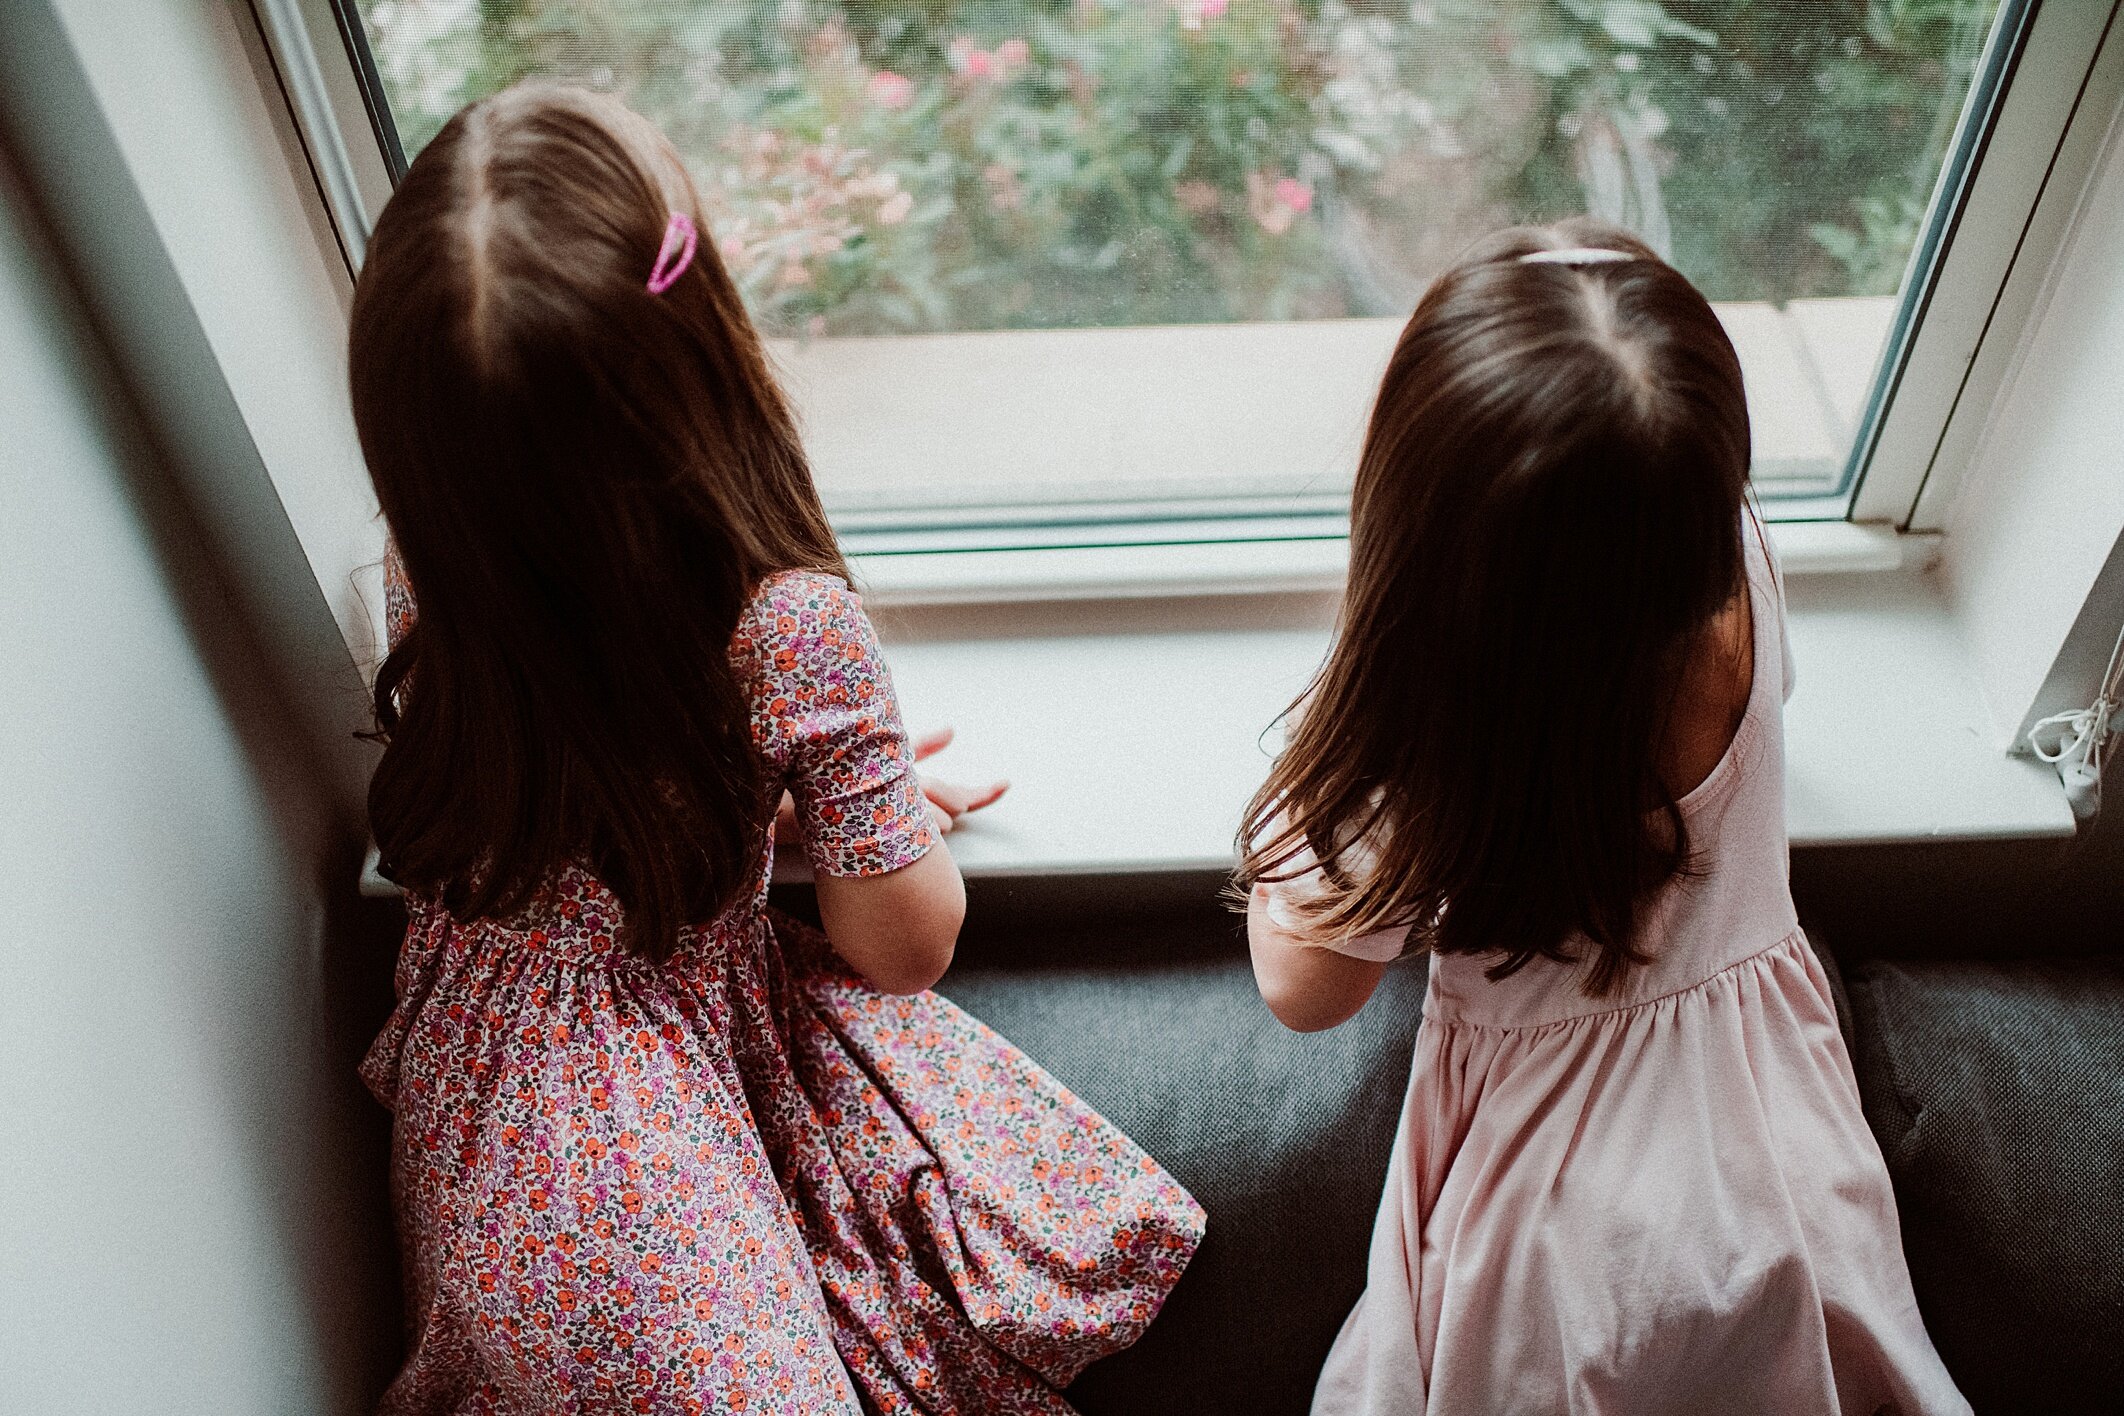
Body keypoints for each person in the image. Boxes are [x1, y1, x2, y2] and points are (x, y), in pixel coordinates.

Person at [353, 82, 1201, 1415]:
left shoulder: (431, 569)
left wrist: (759, 810)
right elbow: (901, 946)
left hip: (489, 1131)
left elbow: (577, 761)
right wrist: (872, 812)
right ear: (702, 354)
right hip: (653, 1202)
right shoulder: (786, 625)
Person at [1237, 220, 1968, 1415]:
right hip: (1775, 1146)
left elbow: (1304, 990)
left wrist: (1318, 795)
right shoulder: (1736, 568)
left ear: (1418, 545)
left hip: (1558, 1236)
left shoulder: (1420, 755)